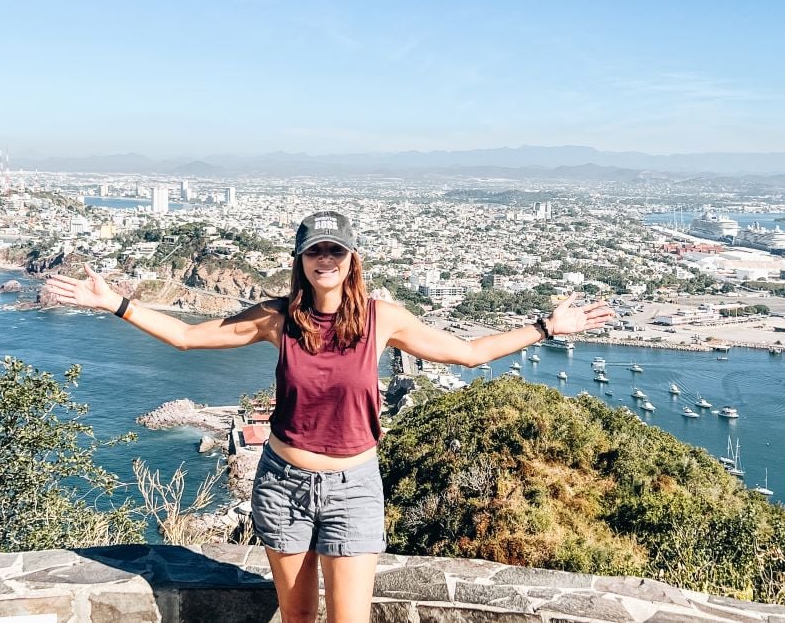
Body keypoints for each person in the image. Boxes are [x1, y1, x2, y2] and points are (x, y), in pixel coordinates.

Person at [44, 210, 613, 623]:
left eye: (335, 251)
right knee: (295, 619)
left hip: (354, 487)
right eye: (315, 250)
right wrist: (115, 303)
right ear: (301, 260)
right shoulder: (277, 318)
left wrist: (546, 328)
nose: (325, 259)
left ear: (350, 260)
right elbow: (189, 337)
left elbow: (466, 352)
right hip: (282, 482)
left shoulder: (382, 319)